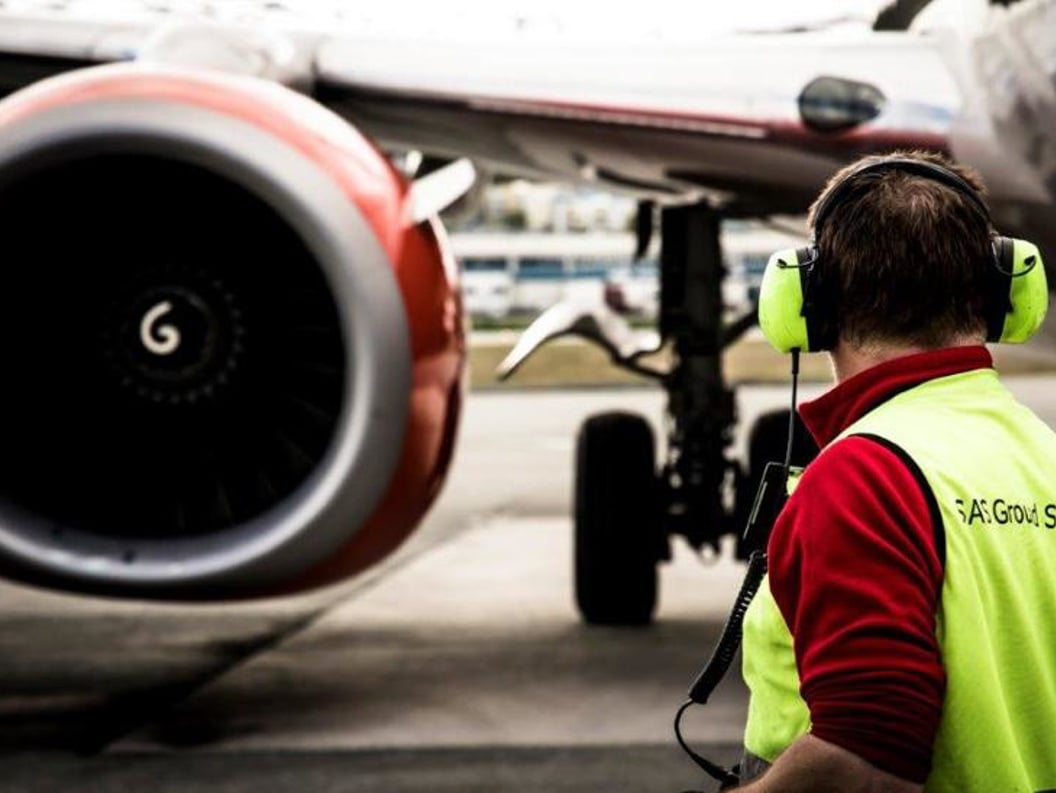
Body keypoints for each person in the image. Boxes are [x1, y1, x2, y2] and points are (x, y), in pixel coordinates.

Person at [737, 150, 1056, 792]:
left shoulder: (864, 479)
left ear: (806, 303)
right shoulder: (1042, 455)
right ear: (1005, 297)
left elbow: (866, 760)